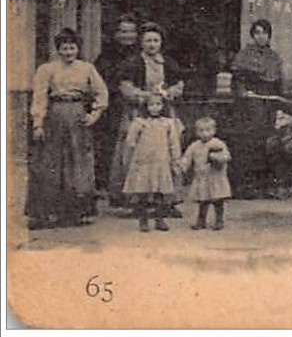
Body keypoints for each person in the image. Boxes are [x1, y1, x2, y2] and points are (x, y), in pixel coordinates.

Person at [26, 29, 109, 229]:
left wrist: (94, 115)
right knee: (50, 163)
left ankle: (74, 213)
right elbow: (39, 96)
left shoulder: (87, 68)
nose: (68, 52)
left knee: (77, 163)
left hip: (77, 115)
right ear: (58, 50)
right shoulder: (47, 69)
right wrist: (38, 123)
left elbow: (102, 92)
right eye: (64, 48)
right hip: (54, 116)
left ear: (78, 49)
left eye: (72, 48)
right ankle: (45, 214)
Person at [113, 23, 186, 218]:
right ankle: (137, 201)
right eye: (148, 40)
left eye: (155, 40)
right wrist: (146, 96)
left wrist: (169, 93)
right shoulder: (132, 63)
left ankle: (167, 200)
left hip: (164, 113)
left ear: (161, 42)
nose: (152, 44)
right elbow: (125, 88)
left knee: (167, 153)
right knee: (137, 154)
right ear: (141, 42)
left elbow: (179, 85)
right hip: (138, 114)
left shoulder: (169, 63)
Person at [231, 18, 286, 198]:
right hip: (250, 103)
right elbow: (238, 79)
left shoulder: (274, 57)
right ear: (252, 35)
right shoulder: (245, 54)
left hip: (269, 102)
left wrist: (278, 102)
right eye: (257, 33)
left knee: (269, 142)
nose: (261, 36)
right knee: (251, 141)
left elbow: (278, 84)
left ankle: (266, 186)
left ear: (269, 36)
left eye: (264, 33)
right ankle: (247, 187)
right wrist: (244, 93)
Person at [94, 14, 140, 204]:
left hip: (137, 105)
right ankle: (111, 189)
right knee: (112, 146)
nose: (127, 35)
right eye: (122, 31)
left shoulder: (142, 53)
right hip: (114, 105)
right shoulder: (106, 56)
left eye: (131, 31)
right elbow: (100, 81)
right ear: (115, 34)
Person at [122, 92, 183, 232]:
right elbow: (130, 141)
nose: (155, 108)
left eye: (158, 104)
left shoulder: (168, 123)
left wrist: (176, 159)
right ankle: (143, 220)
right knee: (142, 191)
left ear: (163, 106)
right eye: (151, 105)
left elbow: (174, 143)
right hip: (143, 161)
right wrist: (131, 156)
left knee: (160, 192)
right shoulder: (139, 122)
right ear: (146, 106)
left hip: (161, 162)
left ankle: (159, 219)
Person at [179, 115, 232, 231]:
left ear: (214, 130)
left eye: (208, 130)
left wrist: (217, 157)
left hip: (215, 177)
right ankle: (201, 221)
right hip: (202, 177)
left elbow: (226, 156)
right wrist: (183, 165)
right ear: (197, 132)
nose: (205, 134)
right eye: (201, 130)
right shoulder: (195, 146)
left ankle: (219, 220)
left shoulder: (218, 144)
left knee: (218, 200)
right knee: (203, 201)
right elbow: (187, 157)